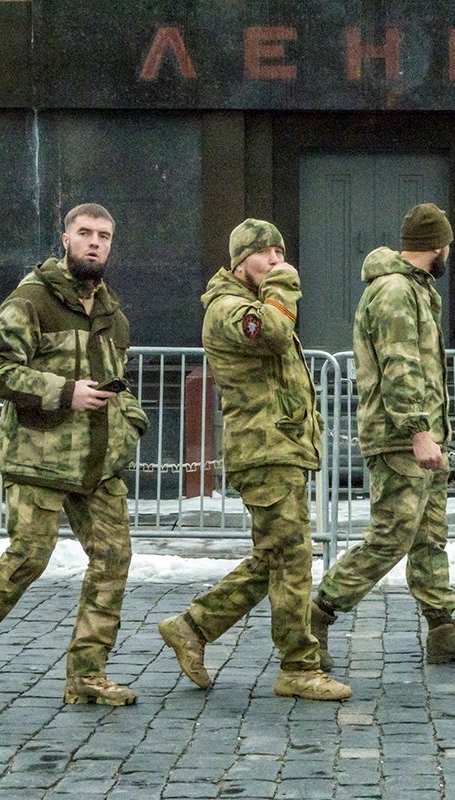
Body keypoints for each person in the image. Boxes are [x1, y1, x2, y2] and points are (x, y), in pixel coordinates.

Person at [0, 203, 148, 706]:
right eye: (85, 233)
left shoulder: (112, 311)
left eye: (104, 235)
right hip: (40, 456)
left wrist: (132, 421)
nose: (95, 242)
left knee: (113, 557)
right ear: (66, 238)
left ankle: (87, 675)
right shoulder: (32, 300)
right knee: (29, 557)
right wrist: (62, 390)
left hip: (98, 463)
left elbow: (119, 378)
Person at [156, 219, 351, 702]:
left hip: (279, 448)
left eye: (281, 252)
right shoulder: (229, 309)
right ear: (241, 260)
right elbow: (275, 333)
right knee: (291, 558)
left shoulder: (255, 302)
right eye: (266, 254)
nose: (277, 260)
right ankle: (298, 667)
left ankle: (193, 627)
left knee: (276, 557)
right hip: (262, 451)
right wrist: (284, 282)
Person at [311, 203, 455, 668]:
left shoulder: (414, 289)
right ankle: (315, 615)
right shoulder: (395, 291)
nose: (448, 253)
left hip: (422, 436)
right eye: (448, 245)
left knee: (429, 536)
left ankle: (443, 630)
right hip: (402, 440)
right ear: (437, 246)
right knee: (391, 537)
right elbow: (401, 365)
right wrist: (418, 431)